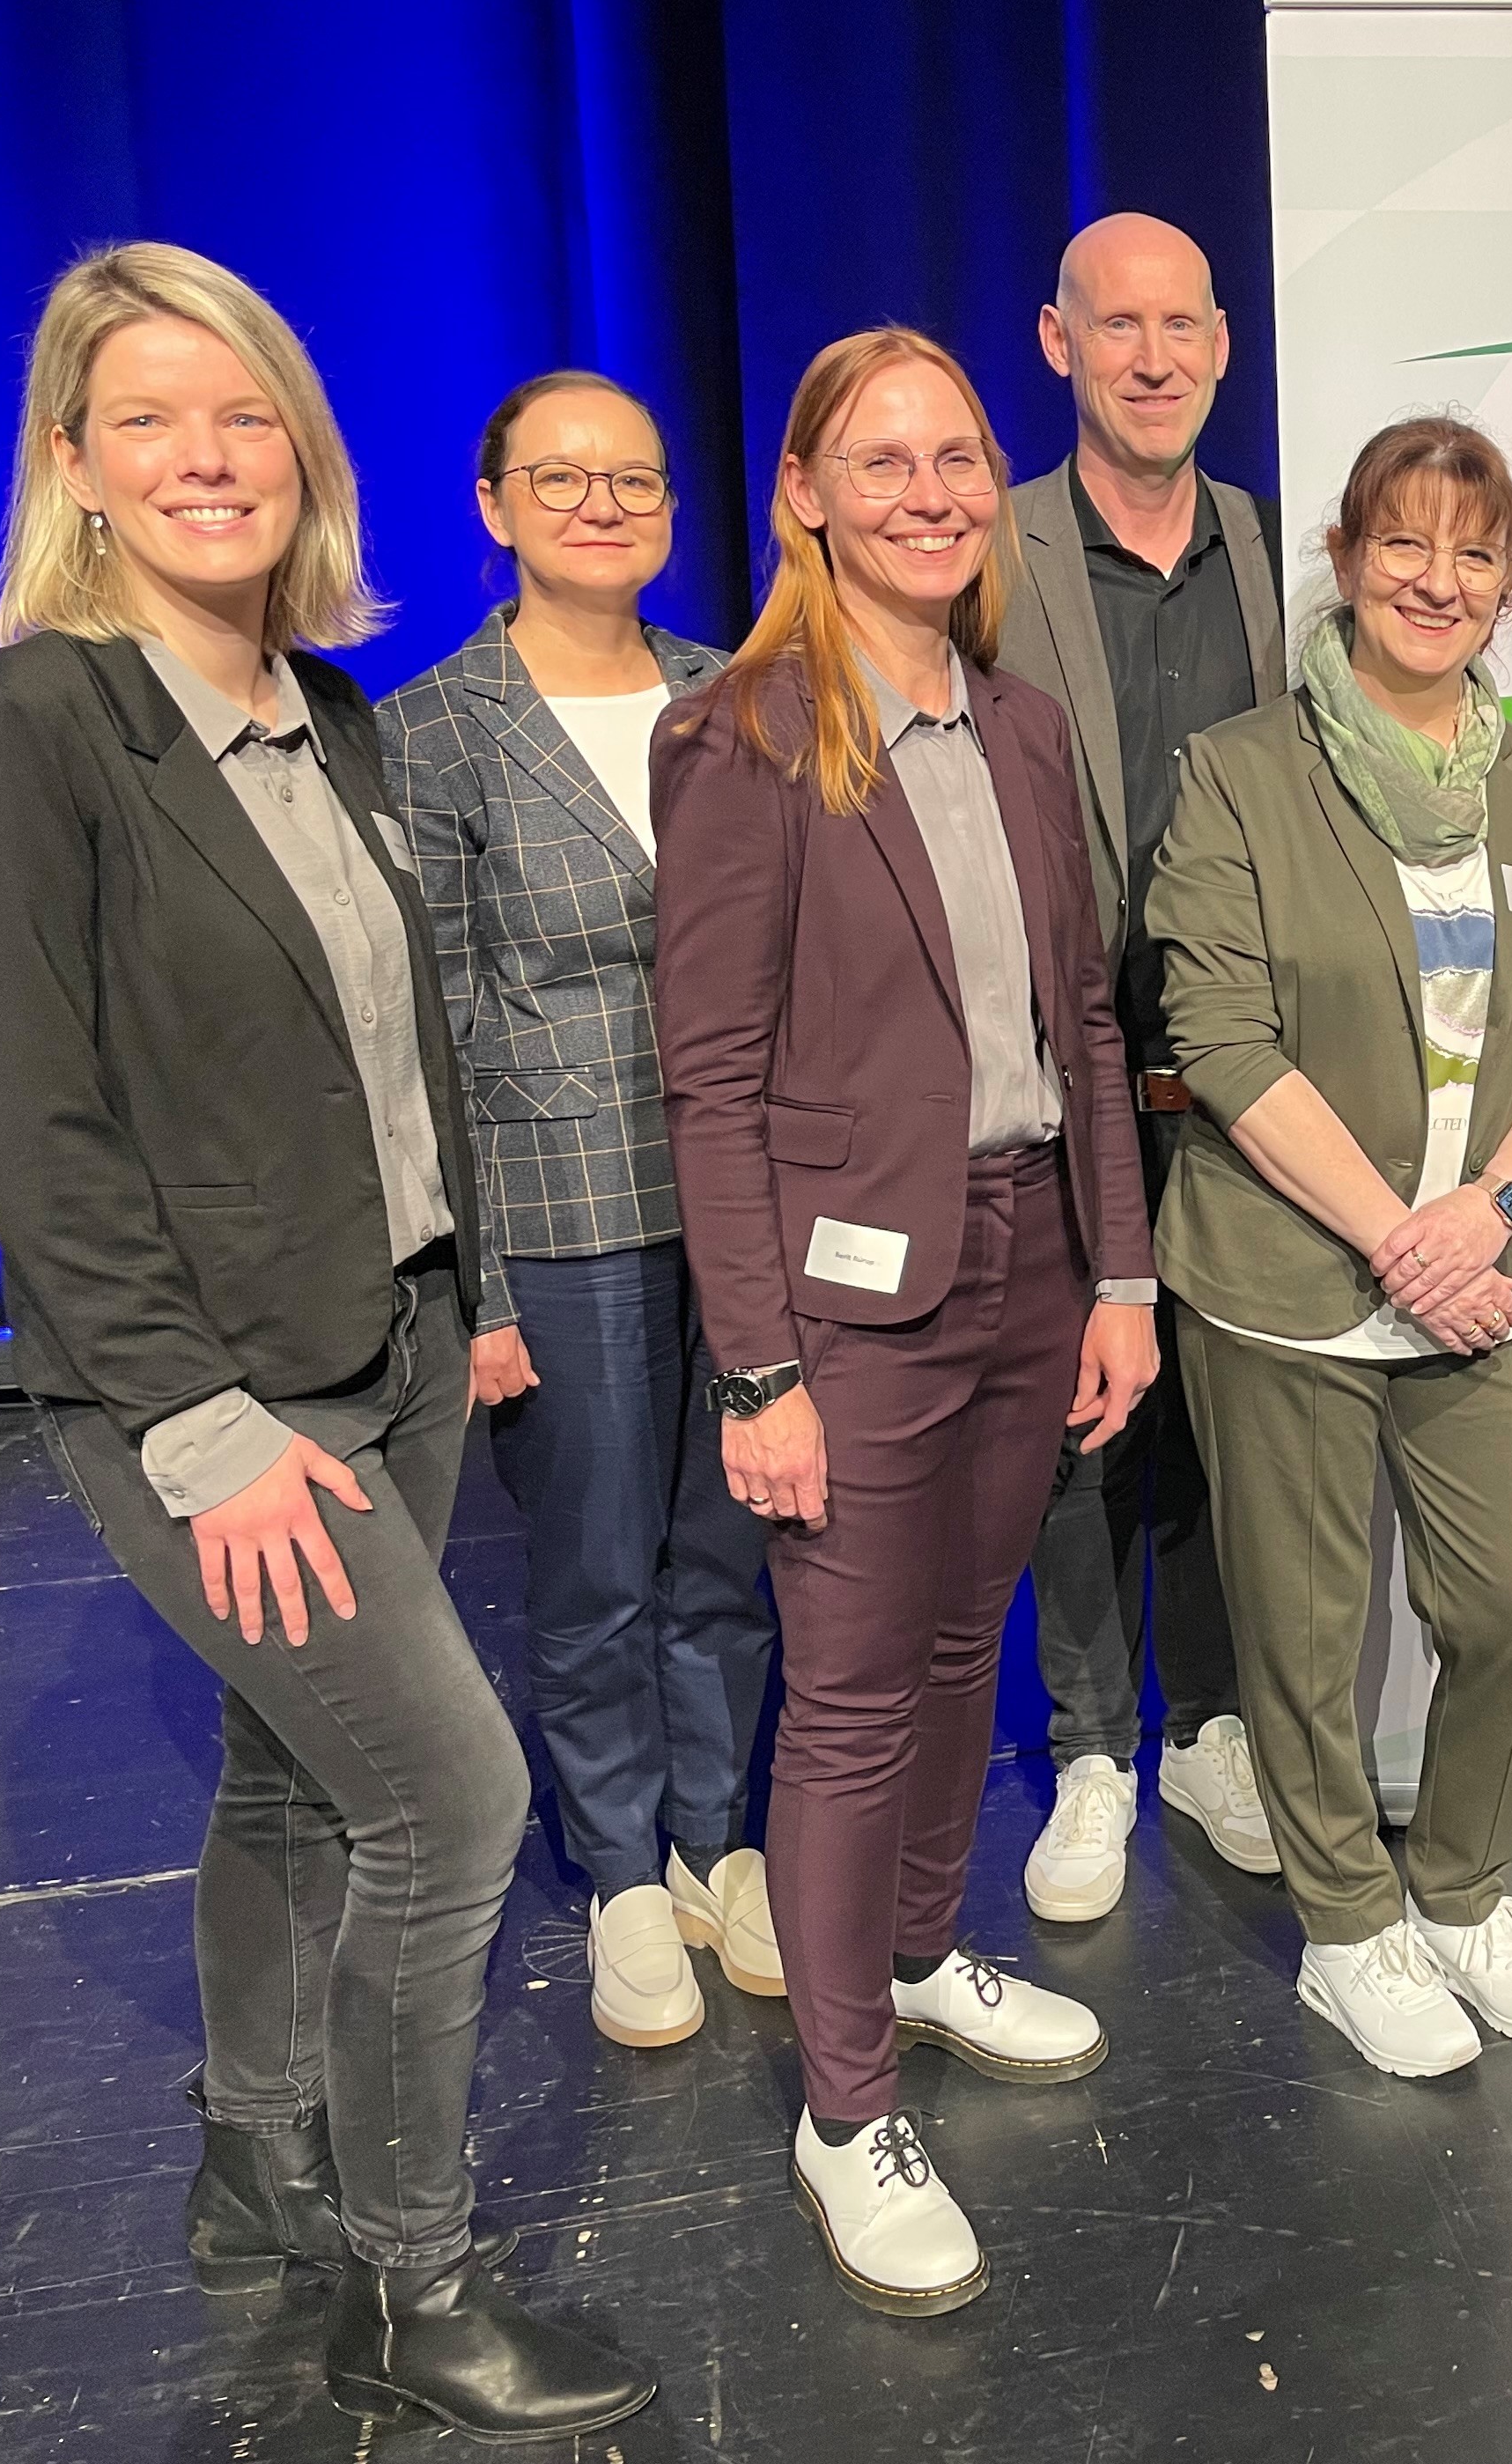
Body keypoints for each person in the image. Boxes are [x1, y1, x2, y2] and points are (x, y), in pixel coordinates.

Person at [0, 245, 654, 2436]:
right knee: (452, 1794)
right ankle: (412, 2297)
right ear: (75, 466)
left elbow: (393, 1055)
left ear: (303, 455)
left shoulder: (324, 718)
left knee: (299, 1779)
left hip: (401, 1338)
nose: (204, 457)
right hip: (220, 1395)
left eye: (242, 415)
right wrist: (196, 1421)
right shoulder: (26, 726)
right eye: (148, 419)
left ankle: (258, 2173)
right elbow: (32, 1130)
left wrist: (470, 1302)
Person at [652, 327, 1160, 2316]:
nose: (936, 492)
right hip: (848, 1306)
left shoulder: (1024, 729)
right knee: (853, 1697)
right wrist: (761, 1365)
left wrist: (1119, 1273)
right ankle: (844, 2099)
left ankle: (924, 1955)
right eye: (887, 461)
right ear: (806, 494)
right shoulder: (746, 736)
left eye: (959, 456)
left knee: (971, 1647)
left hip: (1031, 1263)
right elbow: (707, 1077)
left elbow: (1090, 1027)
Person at [1149, 415, 1512, 2081]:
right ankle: (1348, 1931)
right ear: (1347, 561)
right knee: (1301, 1632)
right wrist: (1389, 1233)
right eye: (1404, 544)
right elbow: (1213, 1029)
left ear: (1507, 584)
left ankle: (1466, 1889)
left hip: (1485, 1267)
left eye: (1473, 552)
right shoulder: (1238, 772)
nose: (1438, 579)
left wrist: (1484, 1207)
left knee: (1507, 1608)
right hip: (1283, 1284)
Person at [380, 373, 779, 2055]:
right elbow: (434, 1026)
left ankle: (715, 1838)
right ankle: (619, 1868)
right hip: (564, 1208)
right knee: (602, 1564)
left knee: (737, 1547)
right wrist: (470, 1281)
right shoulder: (434, 725)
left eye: (637, 477)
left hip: (749, 1200)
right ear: (494, 504)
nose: (604, 504)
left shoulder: (738, 692)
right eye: (563, 477)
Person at [992, 213, 1287, 1922]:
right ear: (1060, 343)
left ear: (1222, 346)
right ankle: (1095, 1746)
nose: (1154, 356)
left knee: (1226, 1415)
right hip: (1056, 1072)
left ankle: (1219, 1729)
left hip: (1239, 1076)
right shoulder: (995, 550)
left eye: (1182, 325)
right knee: (1081, 1423)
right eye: (1120, 327)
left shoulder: (1262, 548)